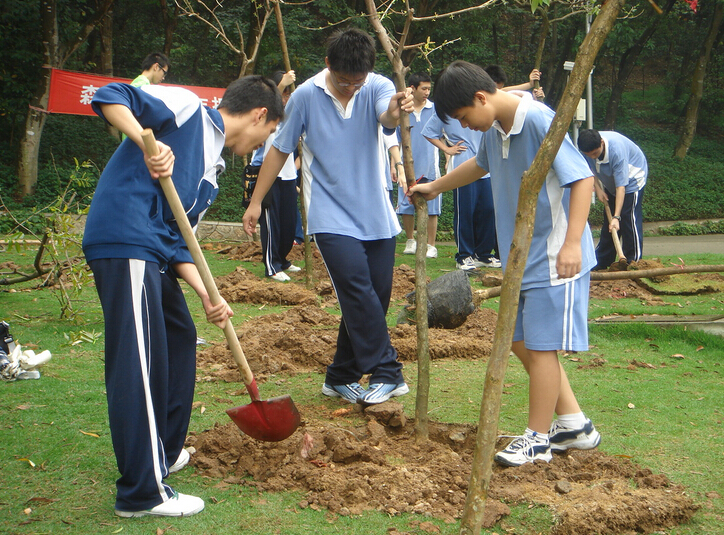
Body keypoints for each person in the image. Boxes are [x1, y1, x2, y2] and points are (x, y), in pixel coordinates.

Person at [84, 75, 283, 517]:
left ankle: (165, 451)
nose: (261, 144)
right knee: (137, 360)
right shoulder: (189, 109)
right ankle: (141, 492)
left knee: (179, 337)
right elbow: (110, 96)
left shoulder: (211, 172)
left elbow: (180, 243)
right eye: (267, 135)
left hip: (156, 251)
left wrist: (207, 294)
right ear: (259, 115)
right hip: (126, 238)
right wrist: (146, 144)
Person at [410, 60, 601, 467]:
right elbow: (479, 165)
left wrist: (572, 245)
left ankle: (537, 439)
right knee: (517, 338)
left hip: (553, 254)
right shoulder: (496, 127)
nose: (467, 126)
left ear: (481, 97)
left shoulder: (536, 120)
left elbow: (581, 178)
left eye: (465, 118)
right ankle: (573, 424)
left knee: (542, 344)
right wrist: (433, 186)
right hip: (522, 255)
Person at [242, 28, 414, 406]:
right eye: (344, 80)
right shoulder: (305, 96)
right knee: (356, 289)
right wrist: (256, 202)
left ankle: (339, 375)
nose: (352, 87)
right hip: (330, 213)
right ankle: (387, 370)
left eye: (358, 80)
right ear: (328, 66)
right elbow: (279, 150)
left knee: (375, 298)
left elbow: (385, 115)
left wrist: (395, 111)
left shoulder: (377, 85)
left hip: (377, 214)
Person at [422, 113, 500, 270]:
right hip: (462, 166)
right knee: (465, 212)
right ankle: (464, 256)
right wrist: (447, 149)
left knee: (488, 210)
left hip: (487, 167)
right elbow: (428, 132)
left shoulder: (482, 106)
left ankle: (483, 255)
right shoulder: (446, 110)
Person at [251, 70, 301, 282]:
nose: (286, 97)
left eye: (289, 94)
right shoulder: (265, 112)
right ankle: (271, 265)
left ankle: (282, 259)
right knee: (272, 224)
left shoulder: (289, 114)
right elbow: (269, 106)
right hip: (267, 175)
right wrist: (281, 85)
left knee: (289, 225)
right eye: (283, 93)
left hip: (288, 175)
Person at [577, 129, 647, 270]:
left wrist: (616, 216)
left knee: (627, 219)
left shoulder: (616, 151)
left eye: (595, 154)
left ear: (602, 143)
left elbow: (621, 187)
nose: (592, 157)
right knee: (609, 225)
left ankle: (633, 262)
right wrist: (598, 189)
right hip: (610, 181)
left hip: (632, 180)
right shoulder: (586, 147)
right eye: (588, 155)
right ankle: (602, 260)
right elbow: (589, 169)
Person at [396, 72, 441, 259]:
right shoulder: (402, 109)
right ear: (412, 88)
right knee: (406, 204)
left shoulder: (435, 109)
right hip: (407, 166)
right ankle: (410, 240)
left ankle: (431, 245)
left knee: (432, 208)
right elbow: (394, 139)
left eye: (429, 89)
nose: (427, 92)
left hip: (431, 165)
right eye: (424, 88)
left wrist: (448, 148)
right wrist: (396, 165)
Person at [120, 53, 171, 142]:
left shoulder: (139, 83)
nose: (163, 78)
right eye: (164, 72)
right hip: (135, 141)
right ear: (156, 67)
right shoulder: (141, 85)